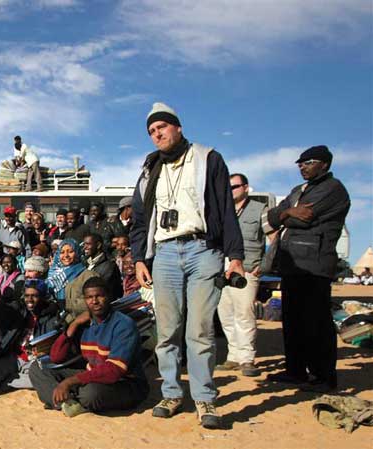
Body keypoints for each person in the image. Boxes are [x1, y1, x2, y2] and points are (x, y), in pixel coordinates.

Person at [130, 102, 244, 429]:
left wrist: (234, 255)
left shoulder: (208, 158)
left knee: (200, 329)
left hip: (203, 248)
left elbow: (225, 208)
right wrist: (140, 258)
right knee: (166, 329)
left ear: (177, 127)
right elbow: (140, 220)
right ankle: (171, 392)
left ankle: (205, 397)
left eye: (161, 127)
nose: (157, 135)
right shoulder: (150, 169)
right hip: (164, 252)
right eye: (151, 131)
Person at [265, 145, 350, 393]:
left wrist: (285, 215)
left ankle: (324, 376)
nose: (302, 166)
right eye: (300, 163)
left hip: (315, 265)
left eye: (308, 162)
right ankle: (296, 371)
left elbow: (302, 219)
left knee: (317, 323)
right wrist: (287, 212)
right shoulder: (298, 191)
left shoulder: (332, 189)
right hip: (293, 264)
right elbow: (273, 217)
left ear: (324, 164)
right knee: (293, 322)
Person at [29, 277, 149, 417]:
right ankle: (67, 403)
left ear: (108, 296)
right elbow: (57, 357)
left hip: (124, 383)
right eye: (89, 297)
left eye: (99, 296)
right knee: (37, 369)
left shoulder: (123, 325)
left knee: (91, 393)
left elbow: (114, 370)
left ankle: (65, 401)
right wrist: (73, 325)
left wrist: (69, 382)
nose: (94, 301)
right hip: (93, 373)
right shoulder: (86, 324)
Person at [0, 279, 64, 394]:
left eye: (34, 296)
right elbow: (0, 310)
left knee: (39, 380)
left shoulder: (51, 318)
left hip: (35, 363)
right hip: (15, 357)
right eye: (27, 296)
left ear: (42, 297)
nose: (30, 300)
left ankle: (9, 381)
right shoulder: (21, 311)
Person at [216, 173, 265, 377]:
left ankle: (247, 359)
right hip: (221, 268)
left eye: (234, 187)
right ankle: (233, 356)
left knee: (245, 313)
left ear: (246, 187)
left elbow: (274, 237)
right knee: (225, 314)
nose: (230, 191)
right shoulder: (221, 212)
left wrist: (265, 265)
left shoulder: (260, 210)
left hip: (246, 268)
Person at [47, 239, 99, 318]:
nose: (66, 255)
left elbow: (93, 303)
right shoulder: (52, 274)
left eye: (70, 252)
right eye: (62, 252)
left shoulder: (89, 275)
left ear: (77, 253)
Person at [83, 233, 123, 299]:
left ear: (98, 245)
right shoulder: (85, 263)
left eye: (88, 244)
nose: (85, 247)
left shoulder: (109, 266)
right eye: (84, 244)